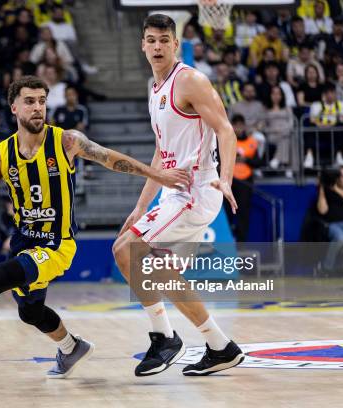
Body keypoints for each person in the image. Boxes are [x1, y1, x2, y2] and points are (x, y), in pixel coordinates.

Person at [0, 75, 187, 379]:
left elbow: (111, 159)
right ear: (14, 107)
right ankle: (71, 347)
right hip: (23, 243)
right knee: (30, 312)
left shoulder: (66, 141)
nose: (37, 107)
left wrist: (158, 175)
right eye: (29, 101)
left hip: (57, 245)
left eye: (42, 101)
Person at [112, 14, 244, 377]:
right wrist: (141, 206)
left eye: (163, 40)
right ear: (142, 45)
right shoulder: (154, 88)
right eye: (150, 40)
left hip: (197, 191)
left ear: (175, 43)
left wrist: (227, 179)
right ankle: (220, 346)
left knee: (124, 250)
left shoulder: (190, 80)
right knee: (160, 270)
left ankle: (164, 337)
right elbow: (161, 152)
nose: (157, 46)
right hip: (173, 194)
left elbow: (226, 130)